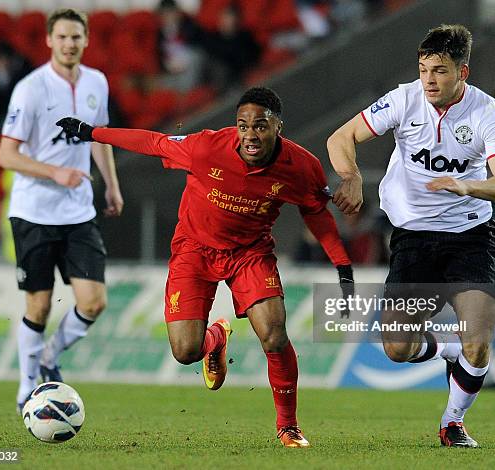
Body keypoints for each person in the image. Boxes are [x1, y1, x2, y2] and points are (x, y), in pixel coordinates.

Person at [57, 86, 354, 448]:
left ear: (279, 127)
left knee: (275, 335)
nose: (250, 134)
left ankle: (288, 426)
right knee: (185, 352)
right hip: (194, 250)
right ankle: (217, 336)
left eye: (260, 126)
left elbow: (316, 214)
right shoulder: (205, 147)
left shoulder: (301, 166)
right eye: (243, 125)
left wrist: (343, 267)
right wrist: (91, 132)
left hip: (250, 252)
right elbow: (153, 142)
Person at [327, 24, 495, 447]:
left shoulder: (486, 112)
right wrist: (353, 175)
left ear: (462, 73)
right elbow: (341, 137)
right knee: (396, 347)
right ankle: (447, 349)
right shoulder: (404, 99)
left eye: (439, 71)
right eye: (423, 70)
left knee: (479, 340)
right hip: (413, 239)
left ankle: (453, 423)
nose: (429, 80)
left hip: (471, 234)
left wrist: (467, 186)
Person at [0, 8, 124, 412]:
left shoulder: (96, 83)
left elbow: (99, 137)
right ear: (49, 41)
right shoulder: (31, 89)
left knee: (93, 301)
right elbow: (6, 155)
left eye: (76, 37)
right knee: (37, 305)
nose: (70, 44)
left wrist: (112, 188)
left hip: (78, 212)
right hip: (34, 212)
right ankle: (25, 387)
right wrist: (56, 172)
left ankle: (50, 357)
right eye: (63, 37)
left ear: (86, 40)